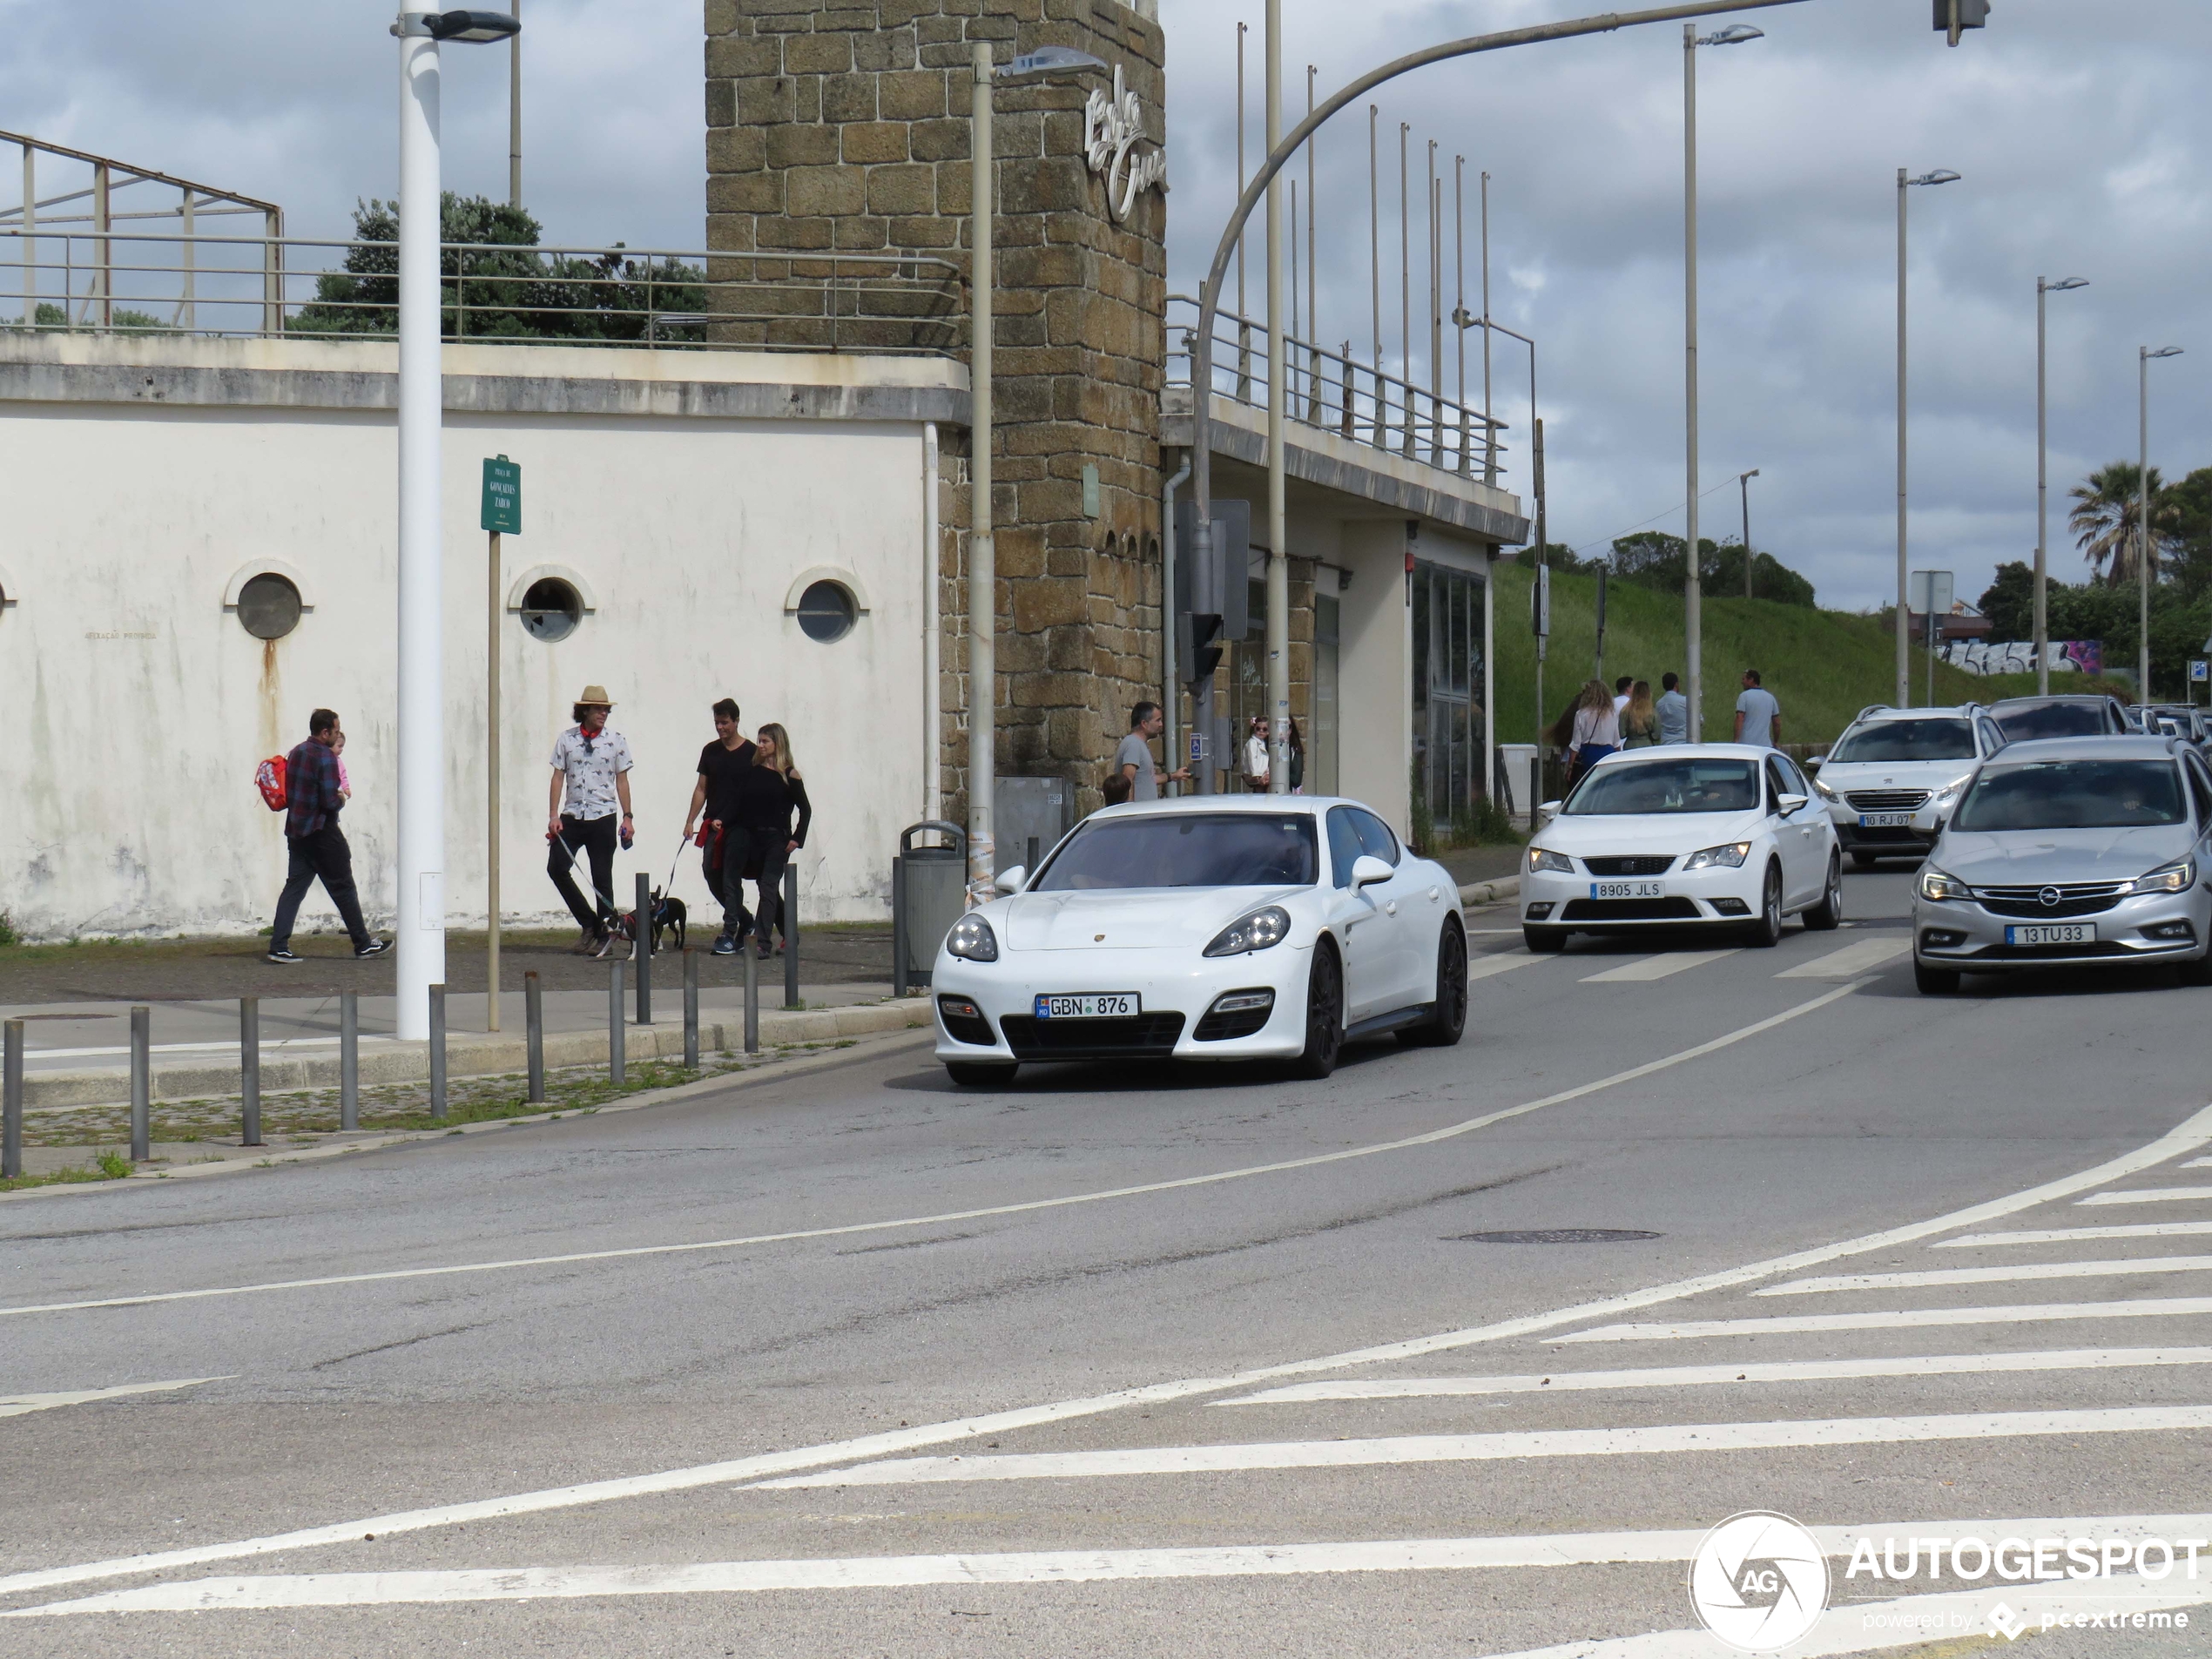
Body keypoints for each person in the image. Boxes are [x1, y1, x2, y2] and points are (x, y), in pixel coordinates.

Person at [266, 709, 386, 964]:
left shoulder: (297, 752)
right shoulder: (326, 758)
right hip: (322, 832)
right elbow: (329, 801)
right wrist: (341, 799)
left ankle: (278, 946)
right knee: (343, 887)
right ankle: (363, 944)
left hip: (297, 832)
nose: (337, 733)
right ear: (325, 732)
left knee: (294, 889)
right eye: (335, 729)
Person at [546, 685, 633, 958]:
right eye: (598, 708)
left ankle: (605, 934)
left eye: (606, 709)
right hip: (572, 816)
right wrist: (553, 815)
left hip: (603, 816)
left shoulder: (616, 740)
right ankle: (588, 922)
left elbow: (622, 780)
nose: (603, 713)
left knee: (601, 878)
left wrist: (628, 817)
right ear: (585, 710)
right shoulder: (566, 739)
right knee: (557, 867)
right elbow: (558, 776)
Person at [724, 723, 812, 960]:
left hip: (778, 839)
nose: (760, 745)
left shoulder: (789, 774)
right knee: (766, 887)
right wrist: (723, 820)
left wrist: (797, 838)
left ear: (777, 744)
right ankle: (790, 934)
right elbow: (739, 803)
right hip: (753, 837)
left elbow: (805, 809)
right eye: (759, 741)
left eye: (765, 742)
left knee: (768, 885)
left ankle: (762, 942)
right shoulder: (752, 771)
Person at [681, 698, 758, 955]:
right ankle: (745, 919)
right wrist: (691, 820)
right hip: (712, 826)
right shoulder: (710, 751)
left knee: (730, 878)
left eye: (725, 723)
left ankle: (730, 931)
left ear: (736, 721)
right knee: (711, 873)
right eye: (717, 723)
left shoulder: (751, 753)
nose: (720, 728)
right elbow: (701, 788)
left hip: (740, 827)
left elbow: (754, 793)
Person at [1114, 701, 1190, 801]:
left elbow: (1148, 779)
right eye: (1157, 720)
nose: (1161, 724)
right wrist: (1130, 810)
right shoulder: (1133, 744)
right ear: (1144, 723)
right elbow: (1128, 778)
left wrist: (1173, 776)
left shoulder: (1139, 744)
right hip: (1138, 814)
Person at [1566, 678, 1620, 784]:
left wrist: (1570, 767)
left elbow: (1575, 745)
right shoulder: (1612, 714)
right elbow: (1616, 742)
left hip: (1588, 754)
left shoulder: (1581, 714)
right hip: (1608, 753)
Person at [1734, 668, 1783, 748]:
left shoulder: (1744, 696)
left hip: (1746, 744)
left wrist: (1736, 740)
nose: (1742, 682)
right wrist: (1776, 741)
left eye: (1744, 679)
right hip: (1765, 745)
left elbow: (1740, 718)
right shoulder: (1770, 698)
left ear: (1751, 680)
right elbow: (1777, 723)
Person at [1620, 680, 1660, 748]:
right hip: (1647, 746)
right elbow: (1657, 735)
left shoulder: (1625, 712)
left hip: (1630, 746)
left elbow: (1622, 734)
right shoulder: (1652, 712)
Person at [1656, 671, 1689, 745]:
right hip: (1684, 742)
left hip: (1666, 743)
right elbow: (1699, 720)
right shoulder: (1685, 701)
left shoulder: (1659, 704)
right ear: (1676, 684)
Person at [1242, 715, 1271, 792]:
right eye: (1258, 729)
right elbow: (1252, 759)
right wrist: (1257, 776)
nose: (1261, 731)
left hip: (1261, 774)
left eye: (1264, 729)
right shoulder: (1252, 743)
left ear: (1268, 732)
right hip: (1255, 775)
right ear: (1254, 729)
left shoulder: (1264, 743)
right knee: (1259, 794)